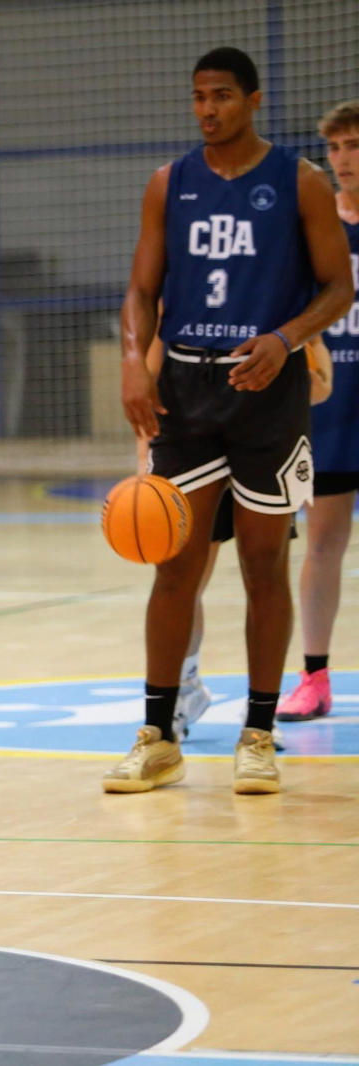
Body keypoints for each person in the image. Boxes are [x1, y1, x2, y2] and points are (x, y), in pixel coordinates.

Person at [109, 47, 353, 794]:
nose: (207, 109)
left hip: (266, 392)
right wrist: (132, 362)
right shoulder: (168, 184)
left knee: (261, 564)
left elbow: (340, 287)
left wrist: (285, 340)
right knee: (174, 566)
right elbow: (142, 289)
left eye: (220, 96)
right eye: (197, 97)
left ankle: (259, 733)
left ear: (253, 100)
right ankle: (157, 733)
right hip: (186, 388)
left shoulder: (300, 184)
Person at [136, 312, 330, 746]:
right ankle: (185, 687)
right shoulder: (180, 303)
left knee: (264, 572)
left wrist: (299, 370)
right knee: (184, 577)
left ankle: (260, 712)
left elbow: (322, 384)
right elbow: (150, 374)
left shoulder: (277, 301)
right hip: (193, 427)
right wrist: (143, 454)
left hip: (261, 430)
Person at [278, 100, 359, 724]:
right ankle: (314, 676)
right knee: (323, 544)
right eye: (334, 148)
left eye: (354, 145)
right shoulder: (314, 227)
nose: (343, 159)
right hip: (333, 409)